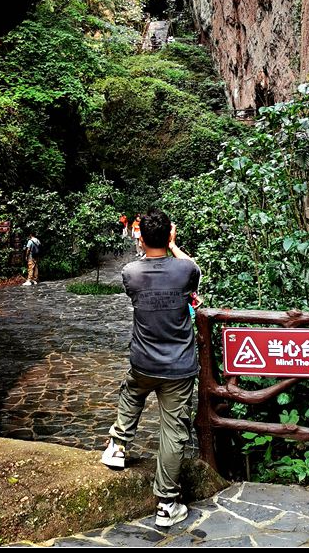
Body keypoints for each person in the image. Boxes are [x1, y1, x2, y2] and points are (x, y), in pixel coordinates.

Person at [101, 209, 200, 528]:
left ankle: (117, 446)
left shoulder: (131, 273)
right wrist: (173, 245)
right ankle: (167, 504)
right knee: (173, 432)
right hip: (179, 366)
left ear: (140, 239)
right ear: (170, 234)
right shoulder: (185, 270)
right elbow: (194, 271)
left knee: (132, 394)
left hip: (144, 361)